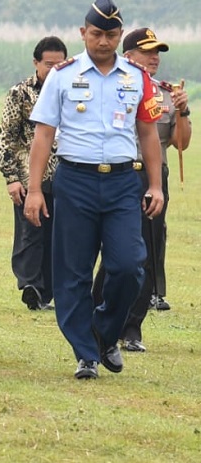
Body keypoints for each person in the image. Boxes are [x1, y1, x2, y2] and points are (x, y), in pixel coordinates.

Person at [24, 0, 164, 380]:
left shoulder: (137, 78)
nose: (104, 41)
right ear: (84, 33)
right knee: (73, 272)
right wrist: (35, 190)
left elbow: (148, 133)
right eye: (97, 34)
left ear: (121, 34)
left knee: (129, 265)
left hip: (122, 181)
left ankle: (105, 332)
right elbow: (42, 136)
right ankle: (86, 353)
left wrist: (156, 185)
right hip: (75, 179)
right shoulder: (63, 75)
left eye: (112, 34)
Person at [92, 27, 191, 352]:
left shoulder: (165, 93)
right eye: (147, 52)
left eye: (158, 53)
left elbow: (180, 143)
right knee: (116, 252)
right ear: (129, 55)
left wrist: (183, 110)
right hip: (117, 174)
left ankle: (133, 326)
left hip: (152, 177)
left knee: (148, 250)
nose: (154, 58)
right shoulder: (114, 85)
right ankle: (100, 313)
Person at [0, 36, 68, 311]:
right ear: (36, 63)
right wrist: (11, 178)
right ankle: (30, 287)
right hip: (28, 175)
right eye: (48, 64)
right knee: (30, 233)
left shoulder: (73, 91)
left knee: (58, 236)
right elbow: (6, 137)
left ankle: (49, 292)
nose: (53, 69)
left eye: (59, 65)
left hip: (65, 175)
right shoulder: (20, 93)